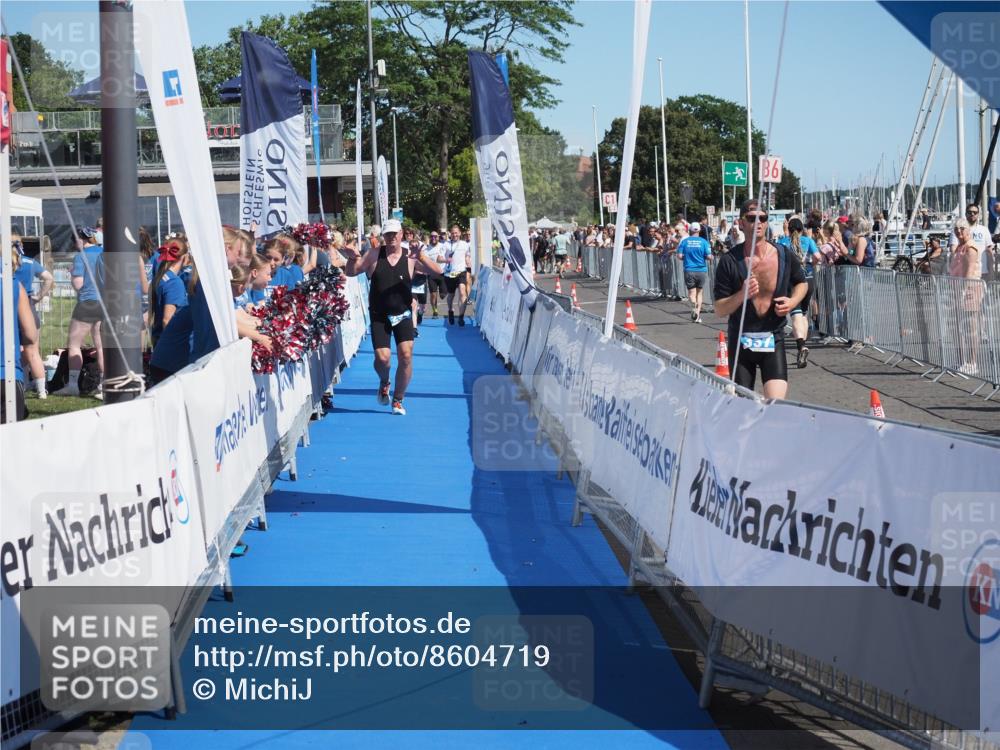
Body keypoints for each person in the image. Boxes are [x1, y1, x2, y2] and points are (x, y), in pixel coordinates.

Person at [342, 218, 443, 415]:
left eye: (394, 234)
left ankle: (398, 399)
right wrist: (353, 258)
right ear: (384, 236)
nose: (391, 238)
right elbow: (352, 272)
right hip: (380, 314)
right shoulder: (374, 253)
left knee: (406, 355)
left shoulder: (411, 256)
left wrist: (421, 256)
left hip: (403, 314)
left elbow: (438, 272)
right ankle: (384, 381)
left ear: (401, 234)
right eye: (387, 234)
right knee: (383, 359)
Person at [713, 200, 808, 400]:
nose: (758, 222)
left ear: (767, 223)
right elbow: (720, 309)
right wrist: (742, 294)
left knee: (775, 405)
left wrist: (792, 303)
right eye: (751, 218)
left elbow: (802, 283)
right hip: (741, 340)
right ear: (741, 223)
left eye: (762, 218)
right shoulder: (730, 261)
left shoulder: (783, 254)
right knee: (743, 405)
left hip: (773, 336)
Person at [55, 226, 105, 396]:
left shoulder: (80, 257)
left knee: (74, 344)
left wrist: (72, 276)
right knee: (101, 345)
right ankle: (103, 385)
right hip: (106, 303)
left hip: (87, 302)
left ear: (80, 239)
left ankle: (73, 385)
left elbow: (78, 285)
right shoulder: (105, 252)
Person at [12, 234, 53, 398]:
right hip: (28, 307)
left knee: (12, 350)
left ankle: (21, 384)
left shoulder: (4, 263)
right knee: (33, 351)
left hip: (8, 306)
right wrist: (38, 297)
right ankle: (41, 391)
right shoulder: (30, 262)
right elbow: (48, 278)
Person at [777, 218, 820, 367]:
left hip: (792, 282)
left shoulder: (783, 242)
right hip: (808, 279)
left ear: (788, 229)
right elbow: (818, 257)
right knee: (803, 314)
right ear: (802, 229)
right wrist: (810, 265)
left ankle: (801, 345)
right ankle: (803, 344)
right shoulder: (808, 241)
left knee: (795, 316)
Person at [0, 265, 38, 420]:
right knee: (10, 441)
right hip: (7, 373)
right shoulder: (14, 284)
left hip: (8, 371)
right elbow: (31, 335)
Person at [949, 219, 983, 375]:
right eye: (956, 229)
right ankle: (960, 360)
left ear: (968, 230)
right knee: (957, 327)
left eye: (962, 228)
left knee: (970, 327)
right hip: (957, 289)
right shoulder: (959, 248)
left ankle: (972, 362)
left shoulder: (971, 248)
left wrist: (961, 293)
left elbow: (969, 274)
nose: (959, 231)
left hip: (970, 290)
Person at [148, 237, 190, 347]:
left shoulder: (161, 276)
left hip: (158, 338)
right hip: (170, 344)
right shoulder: (174, 283)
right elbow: (167, 320)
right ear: (184, 257)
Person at [677, 222, 711, 323]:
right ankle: (697, 315)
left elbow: (679, 256)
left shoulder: (684, 241)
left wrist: (686, 258)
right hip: (701, 270)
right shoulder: (704, 242)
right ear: (699, 230)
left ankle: (693, 306)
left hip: (689, 269)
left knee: (692, 293)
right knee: (699, 292)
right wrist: (709, 257)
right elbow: (709, 256)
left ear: (689, 231)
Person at [950, 203, 991, 283]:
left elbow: (989, 251)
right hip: (963, 273)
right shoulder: (957, 230)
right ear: (966, 214)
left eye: (975, 212)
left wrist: (991, 270)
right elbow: (953, 250)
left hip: (983, 270)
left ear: (978, 214)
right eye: (969, 212)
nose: (972, 214)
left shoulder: (984, 230)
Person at [442, 225, 471, 325]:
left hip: (461, 272)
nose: (454, 235)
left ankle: (461, 317)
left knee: (463, 292)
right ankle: (450, 310)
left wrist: (468, 264)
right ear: (450, 234)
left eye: (456, 233)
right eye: (453, 233)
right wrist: (446, 260)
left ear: (459, 233)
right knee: (451, 295)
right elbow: (438, 258)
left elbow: (467, 256)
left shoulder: (464, 244)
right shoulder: (446, 244)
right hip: (449, 273)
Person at [424, 230, 447, 317]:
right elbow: (425, 262)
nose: (433, 238)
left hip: (442, 273)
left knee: (443, 295)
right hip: (432, 275)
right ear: (430, 238)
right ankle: (435, 310)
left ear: (438, 237)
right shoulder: (426, 249)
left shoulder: (443, 246)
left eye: (435, 236)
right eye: (432, 236)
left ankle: (443, 292)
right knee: (433, 294)